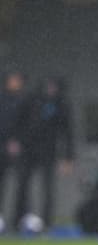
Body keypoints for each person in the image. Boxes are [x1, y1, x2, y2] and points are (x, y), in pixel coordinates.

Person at [12, 75, 74, 232]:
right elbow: (17, 122)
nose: (51, 89)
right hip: (28, 149)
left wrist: (68, 157)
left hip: (48, 151)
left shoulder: (62, 105)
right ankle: (18, 220)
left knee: (48, 188)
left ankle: (47, 223)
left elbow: (68, 133)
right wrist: (15, 141)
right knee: (22, 185)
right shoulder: (31, 100)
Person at [0, 69, 27, 233]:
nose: (15, 83)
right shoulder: (2, 100)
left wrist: (18, 141)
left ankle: (20, 218)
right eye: (12, 79)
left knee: (22, 185)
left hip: (21, 150)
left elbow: (28, 125)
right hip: (2, 148)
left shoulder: (25, 101)